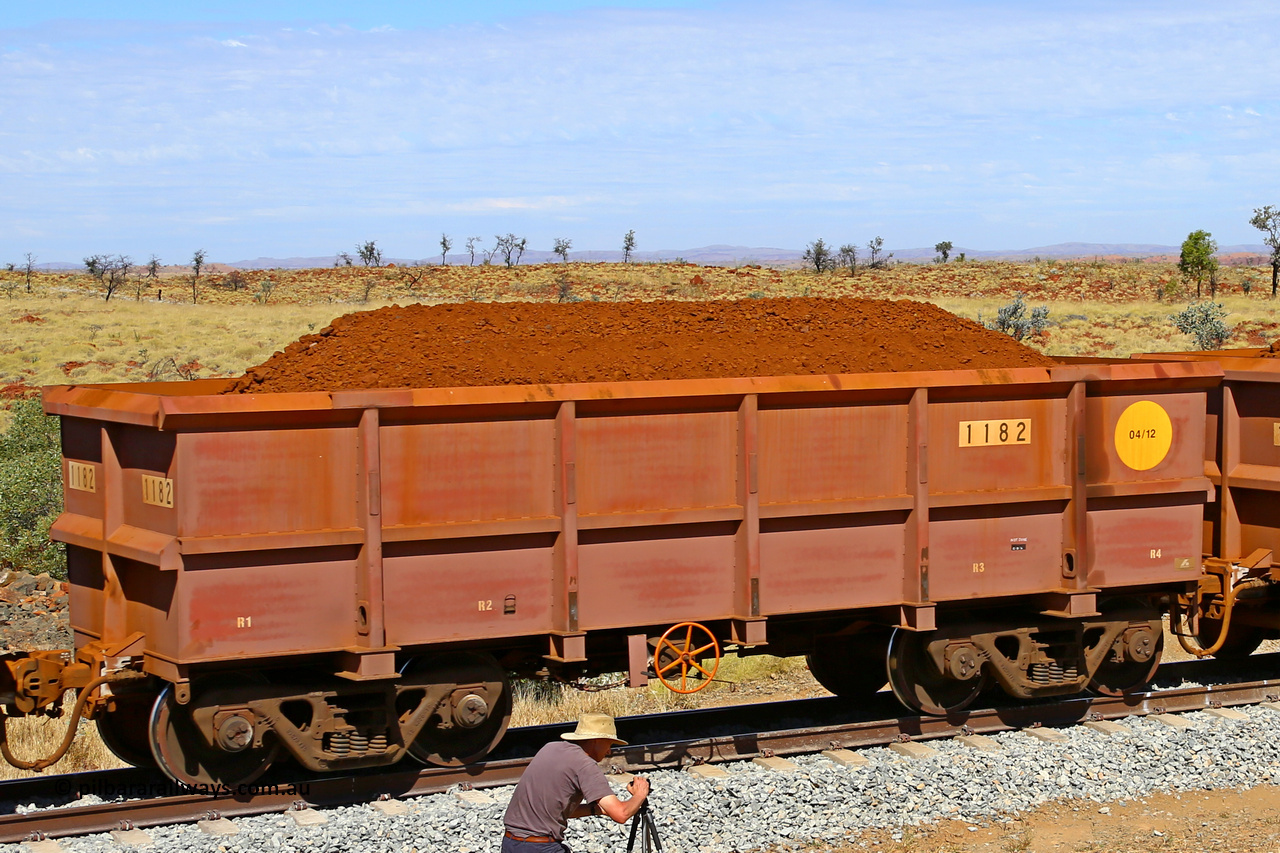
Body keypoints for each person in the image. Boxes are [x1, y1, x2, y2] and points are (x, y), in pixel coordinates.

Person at [501, 712, 650, 853]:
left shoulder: (550, 748)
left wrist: (597, 810)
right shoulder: (585, 765)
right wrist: (640, 794)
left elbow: (555, 810)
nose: (609, 752)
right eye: (609, 744)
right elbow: (621, 814)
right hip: (540, 847)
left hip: (510, 843)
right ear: (596, 741)